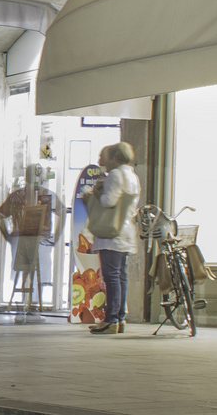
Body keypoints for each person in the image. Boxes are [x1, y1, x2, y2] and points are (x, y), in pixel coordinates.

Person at [89, 142, 141, 334]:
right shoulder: (132, 175)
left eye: (104, 156)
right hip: (126, 230)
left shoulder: (116, 175)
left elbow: (108, 201)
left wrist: (97, 192)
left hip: (111, 232)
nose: (100, 161)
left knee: (111, 277)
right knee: (121, 276)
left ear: (115, 158)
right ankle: (119, 317)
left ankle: (110, 319)